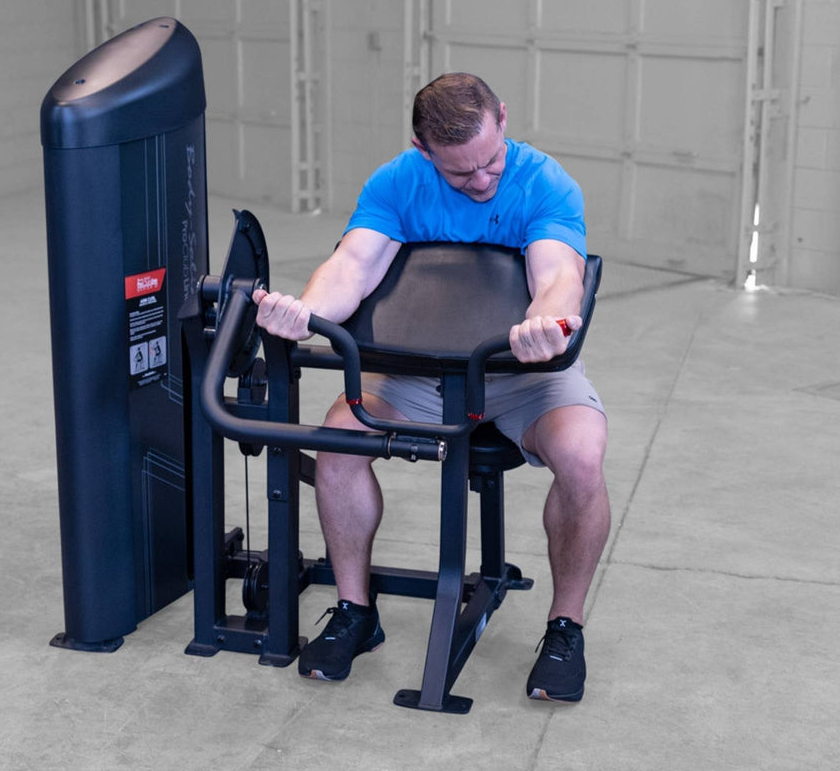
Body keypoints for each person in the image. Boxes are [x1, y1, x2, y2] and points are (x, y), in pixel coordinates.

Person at [251, 73, 609, 703]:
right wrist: (305, 313)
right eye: (460, 172)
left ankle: (565, 629)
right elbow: (353, 265)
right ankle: (356, 611)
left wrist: (545, 325)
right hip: (419, 374)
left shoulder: (545, 182)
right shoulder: (396, 183)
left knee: (582, 456)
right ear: (423, 149)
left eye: (491, 161)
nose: (482, 181)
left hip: (523, 375)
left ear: (503, 118)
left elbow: (557, 275)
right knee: (338, 443)